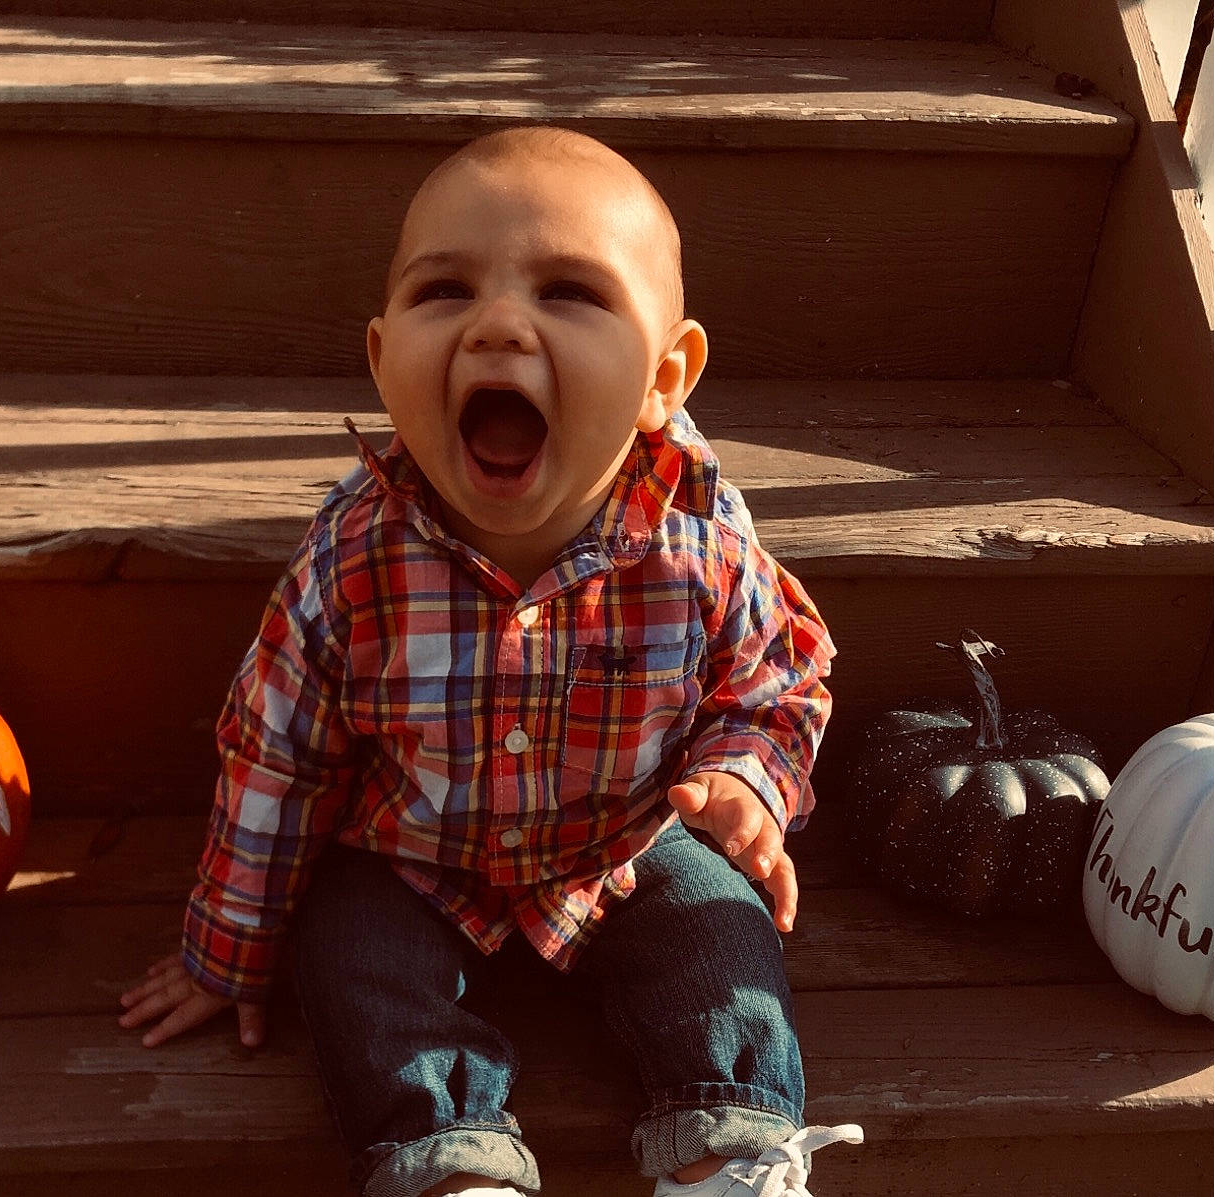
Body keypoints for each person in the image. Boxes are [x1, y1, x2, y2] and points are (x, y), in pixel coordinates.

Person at [119, 125, 861, 1197]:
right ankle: (450, 1161)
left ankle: (728, 1144)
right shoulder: (351, 561)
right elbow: (273, 756)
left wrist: (746, 773)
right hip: (410, 853)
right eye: (443, 294)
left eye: (568, 294)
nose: (497, 327)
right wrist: (227, 949)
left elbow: (776, 674)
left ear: (664, 377)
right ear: (382, 363)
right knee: (352, 963)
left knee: (721, 937)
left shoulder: (699, 540)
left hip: (626, 840)